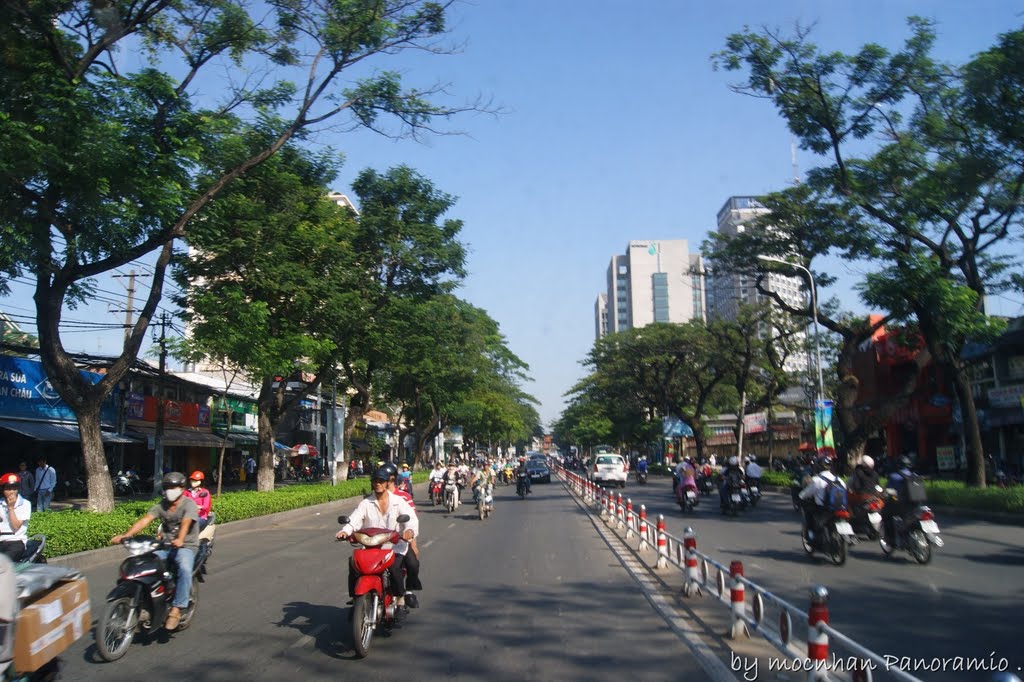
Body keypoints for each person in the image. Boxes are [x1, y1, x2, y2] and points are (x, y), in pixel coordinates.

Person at [111, 472, 199, 630]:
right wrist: (126, 535)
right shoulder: (161, 505)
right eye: (167, 487)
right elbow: (145, 519)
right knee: (146, 564)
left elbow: (186, 522)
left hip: (186, 545)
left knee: (184, 568)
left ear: (182, 488)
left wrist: (180, 538)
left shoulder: (189, 504)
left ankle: (177, 609)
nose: (171, 490)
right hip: (165, 545)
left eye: (174, 487)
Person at [336, 467, 418, 617]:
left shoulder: (399, 502)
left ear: (387, 483)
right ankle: (356, 600)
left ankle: (400, 599)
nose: (378, 484)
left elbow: (411, 519)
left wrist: (409, 531)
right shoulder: (366, 503)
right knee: (355, 565)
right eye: (375, 481)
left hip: (394, 546)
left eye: (381, 481)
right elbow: (354, 520)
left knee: (394, 569)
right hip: (371, 546)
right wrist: (345, 532)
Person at [798, 455, 845, 541]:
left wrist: (800, 497)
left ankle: (811, 536)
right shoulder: (838, 479)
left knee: (809, 513)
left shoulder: (817, 480)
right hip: (840, 508)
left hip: (824, 510)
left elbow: (806, 493)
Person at [0, 473, 31, 561]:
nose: (11, 492)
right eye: (8, 489)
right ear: (3, 490)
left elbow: (16, 526)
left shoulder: (25, 504)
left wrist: (10, 507)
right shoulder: (0, 503)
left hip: (16, 541)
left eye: (14, 488)